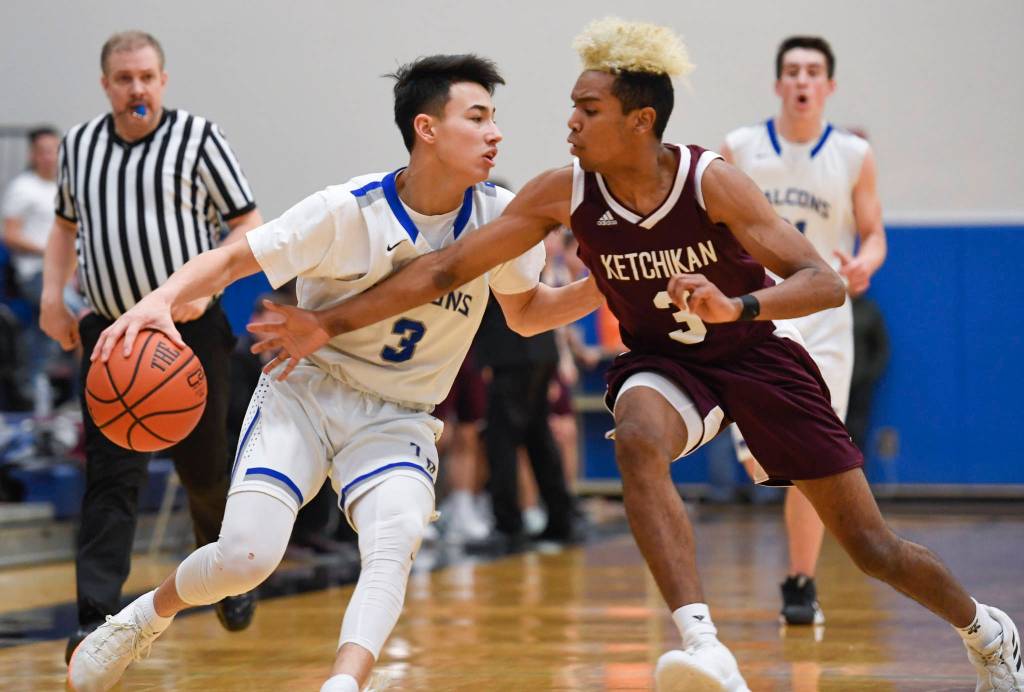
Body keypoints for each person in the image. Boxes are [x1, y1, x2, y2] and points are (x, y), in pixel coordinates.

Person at [245, 18, 1023, 692]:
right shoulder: (563, 191)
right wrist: (328, 322)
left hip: (754, 353)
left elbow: (823, 283)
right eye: (573, 107)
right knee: (640, 435)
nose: (571, 121)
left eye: (589, 109)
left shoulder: (712, 183)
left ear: (640, 121)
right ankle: (704, 646)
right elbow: (445, 268)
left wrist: (737, 304)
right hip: (665, 363)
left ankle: (986, 629)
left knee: (872, 548)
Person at [68, 54, 603, 692]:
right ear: (427, 128)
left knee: (396, 535)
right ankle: (139, 620)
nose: (497, 133)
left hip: (398, 414)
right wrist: (157, 302)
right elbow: (232, 259)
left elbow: (526, 312)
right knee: (245, 558)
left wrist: (612, 285)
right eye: (479, 117)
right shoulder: (345, 210)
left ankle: (343, 684)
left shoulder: (501, 218)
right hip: (306, 394)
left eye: (495, 119)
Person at [39, 31, 264, 662]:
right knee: (109, 477)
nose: (136, 87)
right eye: (123, 78)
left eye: (145, 76)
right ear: (106, 84)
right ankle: (96, 617)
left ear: (162, 80)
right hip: (111, 331)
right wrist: (52, 297)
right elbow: (62, 230)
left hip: (187, 330)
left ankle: (225, 575)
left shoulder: (199, 139)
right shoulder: (80, 146)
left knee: (204, 469)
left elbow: (250, 225)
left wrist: (205, 287)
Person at [720, 36, 888, 627]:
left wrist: (867, 261)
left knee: (815, 460)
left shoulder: (851, 153)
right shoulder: (739, 148)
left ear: (829, 86)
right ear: (778, 83)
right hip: (762, 308)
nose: (801, 80)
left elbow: (873, 231)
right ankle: (749, 441)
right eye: (792, 70)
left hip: (827, 317)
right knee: (764, 463)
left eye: (813, 72)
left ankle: (800, 582)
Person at [2, 126, 64, 407]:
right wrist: (47, 251)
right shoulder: (22, 188)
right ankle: (33, 388)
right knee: (78, 316)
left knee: (45, 333)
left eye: (54, 150)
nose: (49, 157)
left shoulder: (64, 188)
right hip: (34, 273)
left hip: (65, 273)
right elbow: (10, 235)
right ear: (33, 155)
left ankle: (41, 389)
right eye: (43, 152)